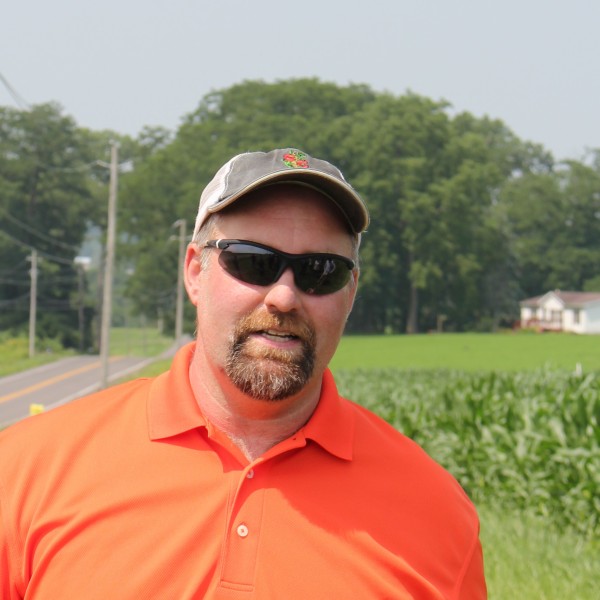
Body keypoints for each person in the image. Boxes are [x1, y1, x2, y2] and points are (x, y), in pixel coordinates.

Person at [0, 148, 486, 599]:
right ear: (195, 272)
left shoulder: (438, 510)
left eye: (321, 271)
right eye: (253, 262)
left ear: (351, 291)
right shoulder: (25, 471)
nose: (284, 297)